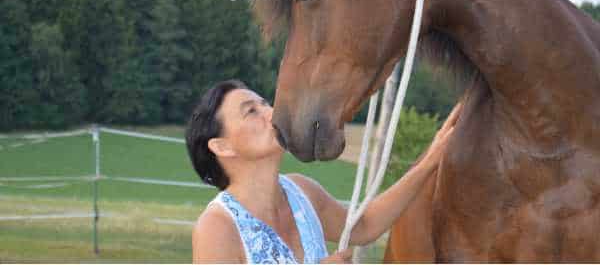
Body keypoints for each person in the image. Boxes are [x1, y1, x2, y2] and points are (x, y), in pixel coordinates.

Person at [186, 80, 461, 264]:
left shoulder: (303, 191)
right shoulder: (217, 228)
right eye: (251, 111)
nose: (271, 112)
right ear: (222, 146)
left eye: (265, 103)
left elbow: (365, 226)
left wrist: (431, 158)